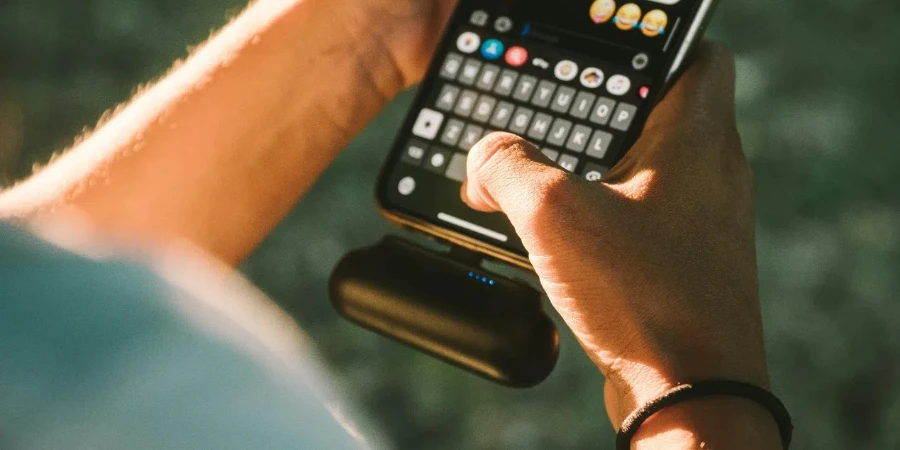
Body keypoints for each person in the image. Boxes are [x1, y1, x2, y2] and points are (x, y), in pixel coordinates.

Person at [0, 0, 781, 448]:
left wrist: (370, 26)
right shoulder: (171, 398)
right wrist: (700, 386)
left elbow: (42, 295)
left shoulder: (61, 350)